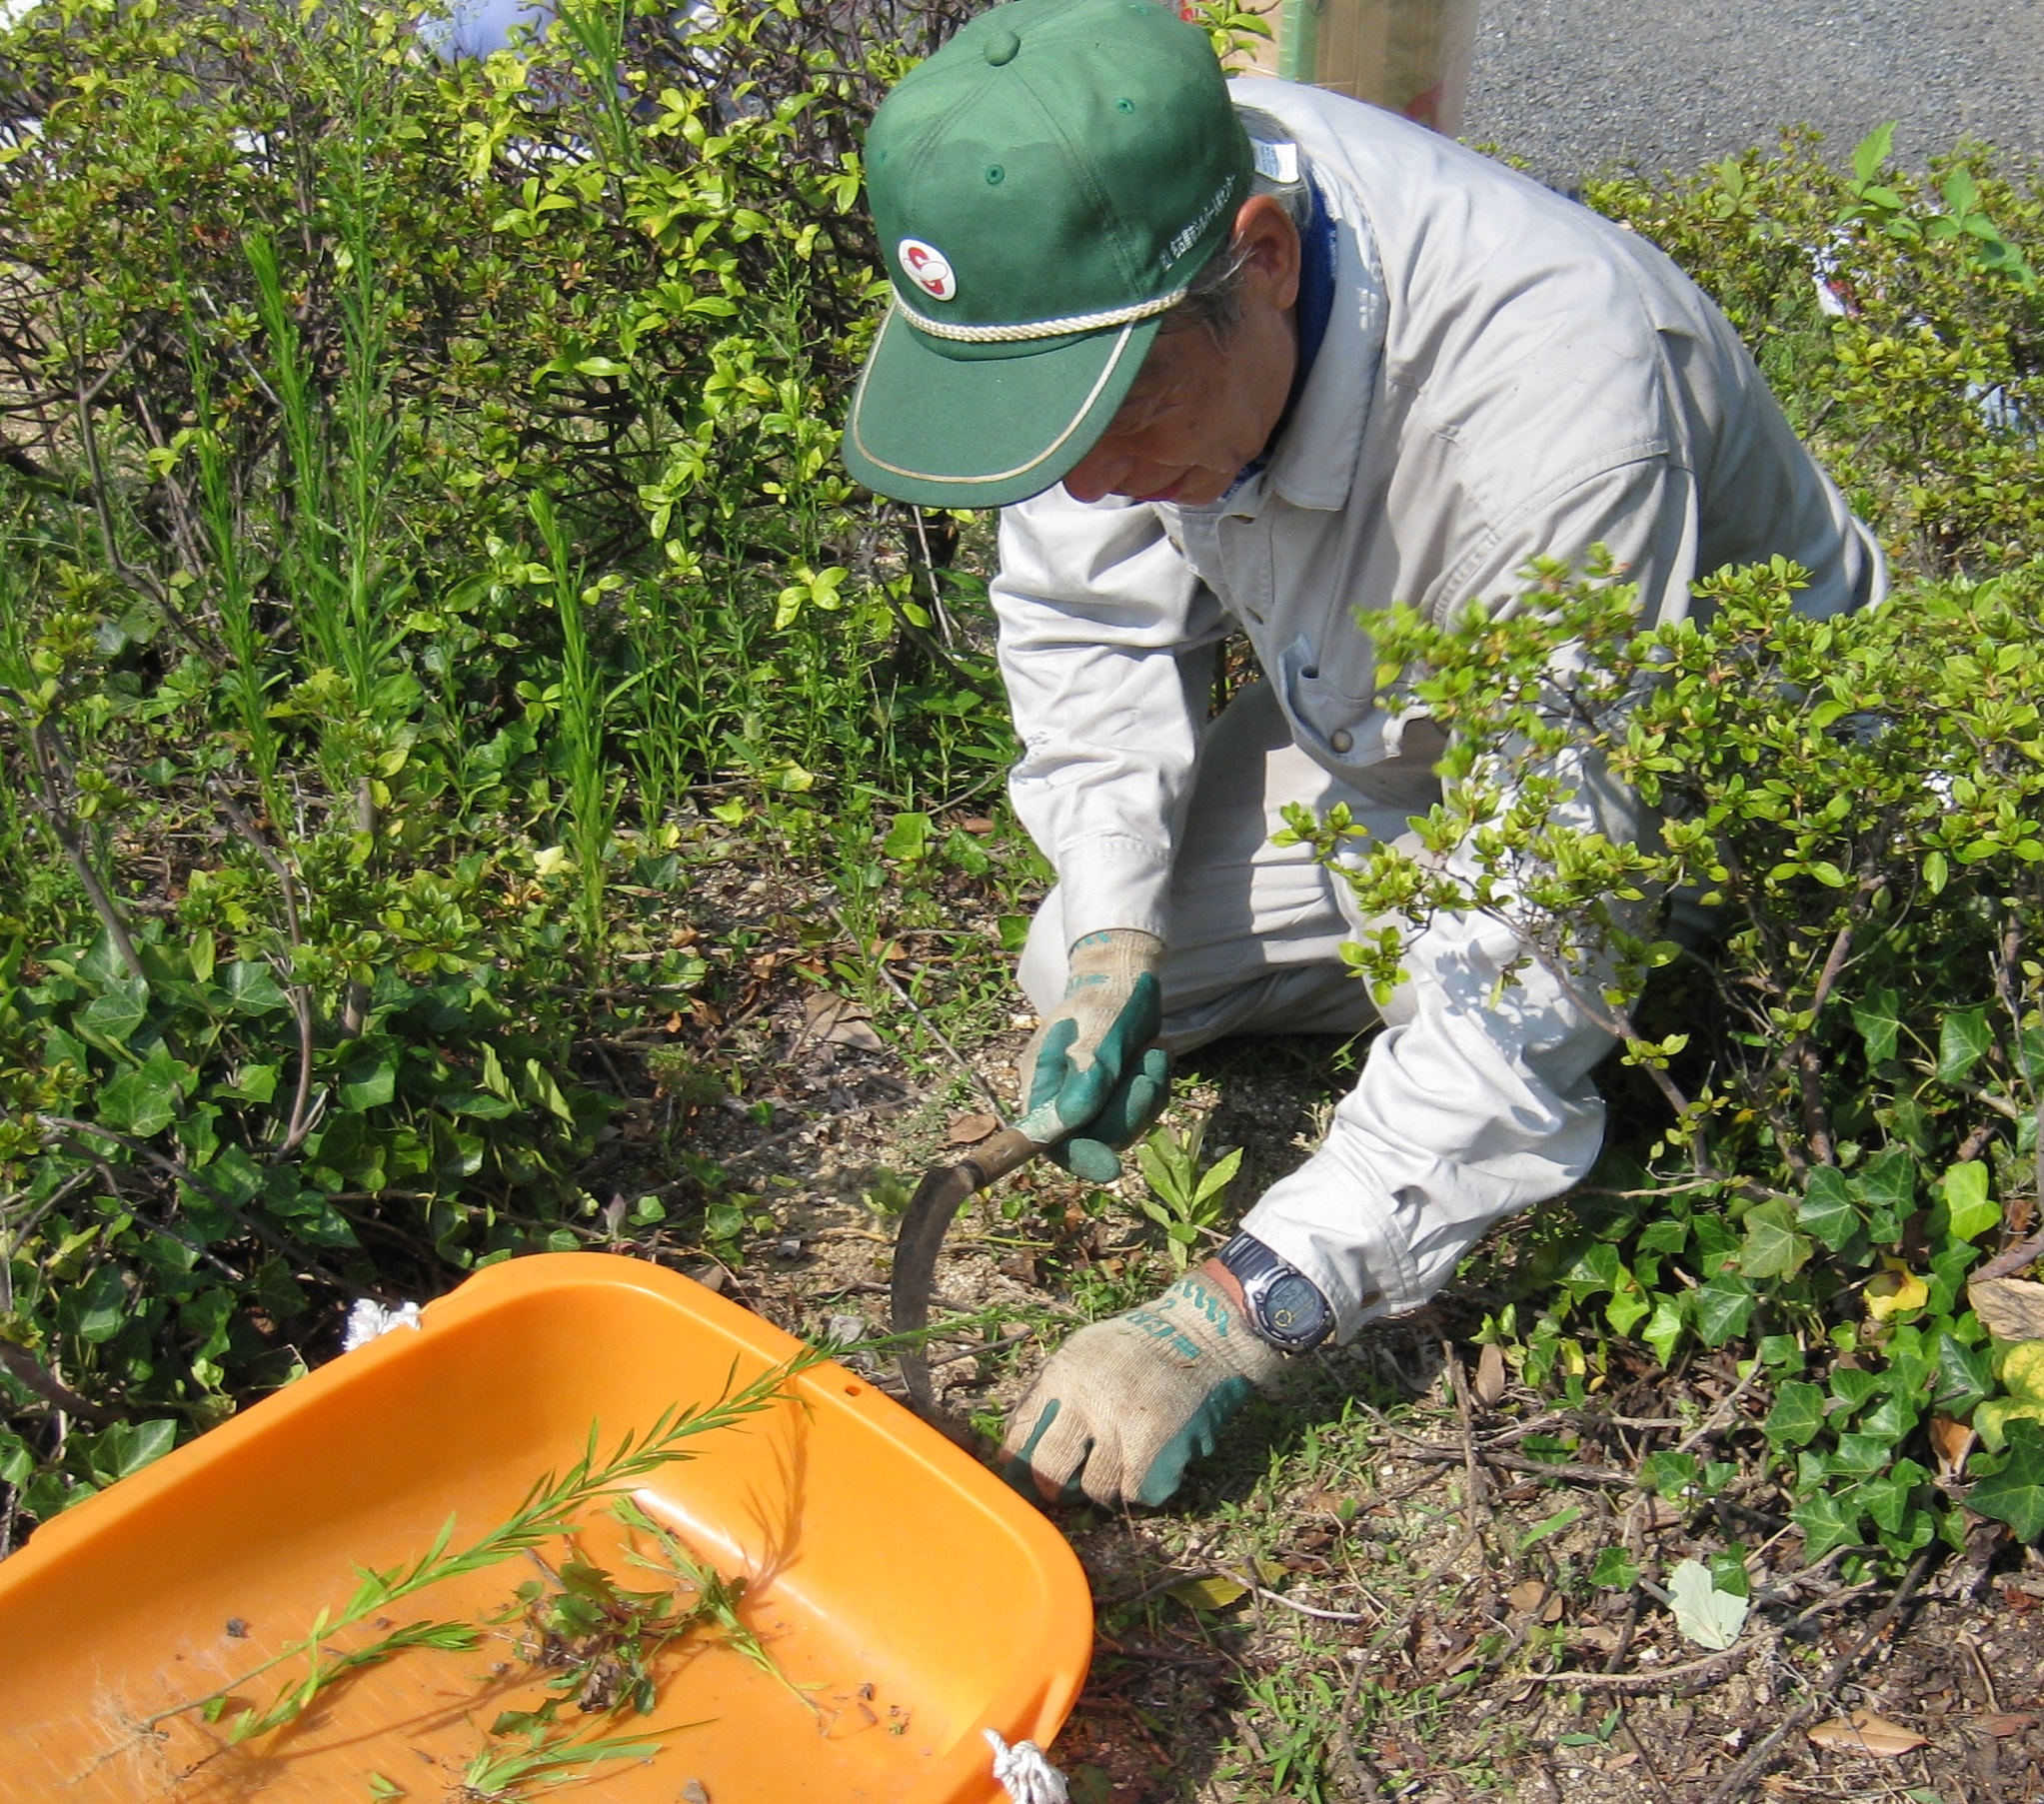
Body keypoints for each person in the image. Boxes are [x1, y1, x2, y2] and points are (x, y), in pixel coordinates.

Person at [842, 0, 1884, 1507]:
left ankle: (1674, 1004)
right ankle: (1458, 1052)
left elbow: (1543, 898)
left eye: (1118, 415)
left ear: (1263, 259)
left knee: (1530, 999)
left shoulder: (1551, 411)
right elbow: (1079, 617)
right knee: (1069, 949)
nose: (1081, 480)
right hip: (1415, 735)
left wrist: (1237, 1304)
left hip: (1701, 796)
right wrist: (1124, 928)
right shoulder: (1115, 259)